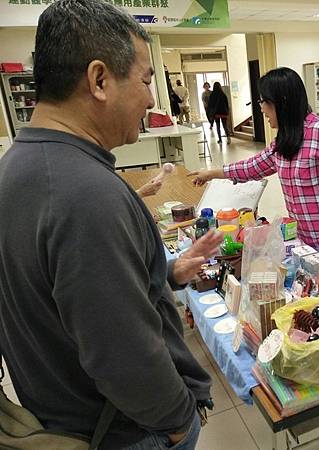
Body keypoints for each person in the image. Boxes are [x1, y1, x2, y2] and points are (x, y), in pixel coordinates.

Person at [0, 1, 224, 449]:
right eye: (145, 80)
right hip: (125, 432)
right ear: (99, 80)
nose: (152, 98)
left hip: (59, 413)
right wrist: (180, 421)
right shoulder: (86, 194)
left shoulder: (16, 168)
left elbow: (67, 294)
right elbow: (123, 355)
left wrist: (165, 273)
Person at [189, 67, 319, 281]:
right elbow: (252, 166)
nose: (261, 109)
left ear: (282, 102)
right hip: (311, 248)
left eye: (263, 102)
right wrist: (212, 173)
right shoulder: (285, 140)